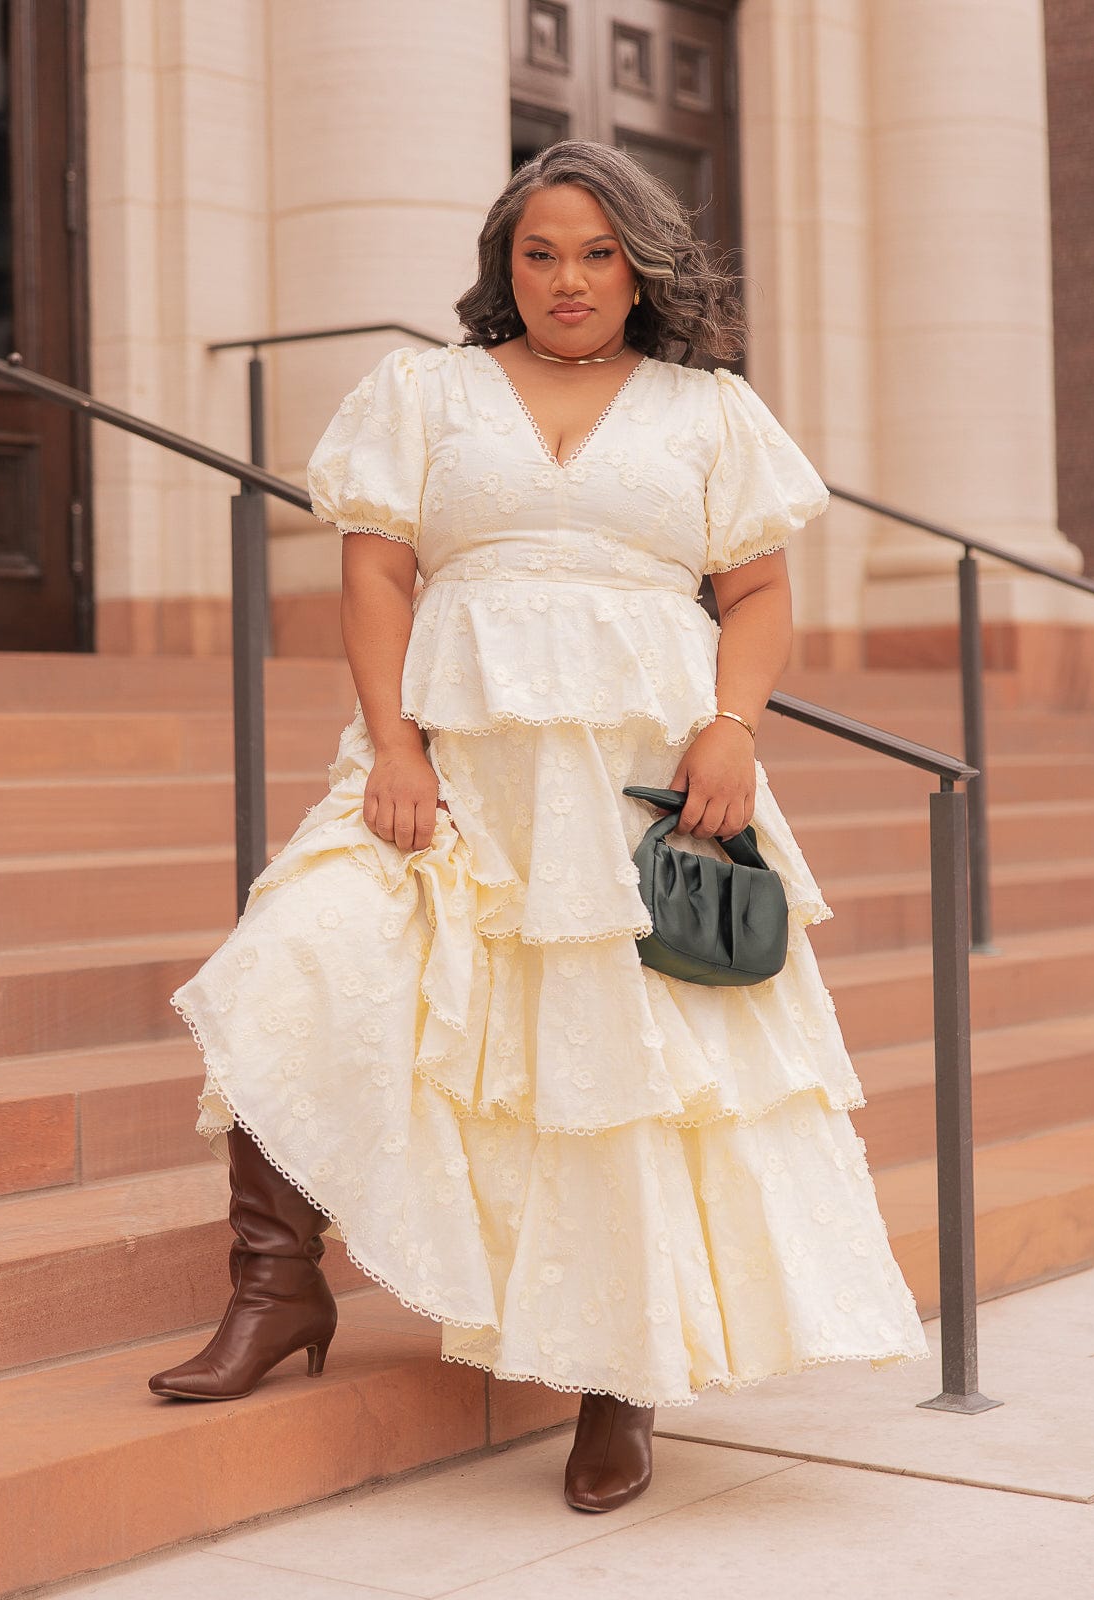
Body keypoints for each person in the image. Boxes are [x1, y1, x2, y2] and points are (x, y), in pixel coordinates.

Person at [151, 140, 929, 1513]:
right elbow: (380, 574)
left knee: (615, 1070)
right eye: (539, 252)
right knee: (293, 962)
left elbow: (755, 596)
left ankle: (617, 1387)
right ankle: (276, 1293)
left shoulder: (708, 408)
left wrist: (731, 730)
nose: (568, 280)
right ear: (503, 266)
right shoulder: (427, 390)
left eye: (596, 254)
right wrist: (394, 744)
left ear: (640, 268)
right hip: (451, 764)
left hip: (641, 782)